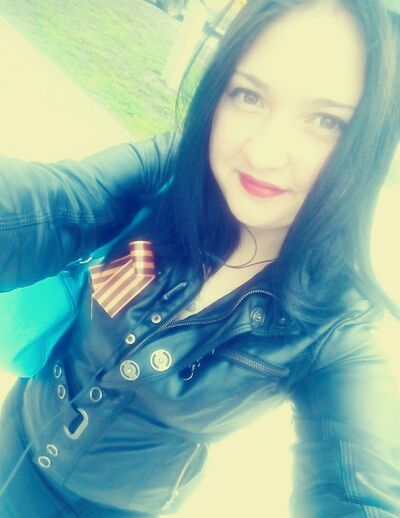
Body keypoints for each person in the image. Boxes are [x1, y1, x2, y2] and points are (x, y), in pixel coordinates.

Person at [0, 0, 399, 516]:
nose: (264, 152)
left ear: (370, 143)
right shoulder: (173, 170)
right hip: (14, 437)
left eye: (326, 121)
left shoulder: (336, 328)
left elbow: (361, 488)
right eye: (249, 95)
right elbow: (50, 206)